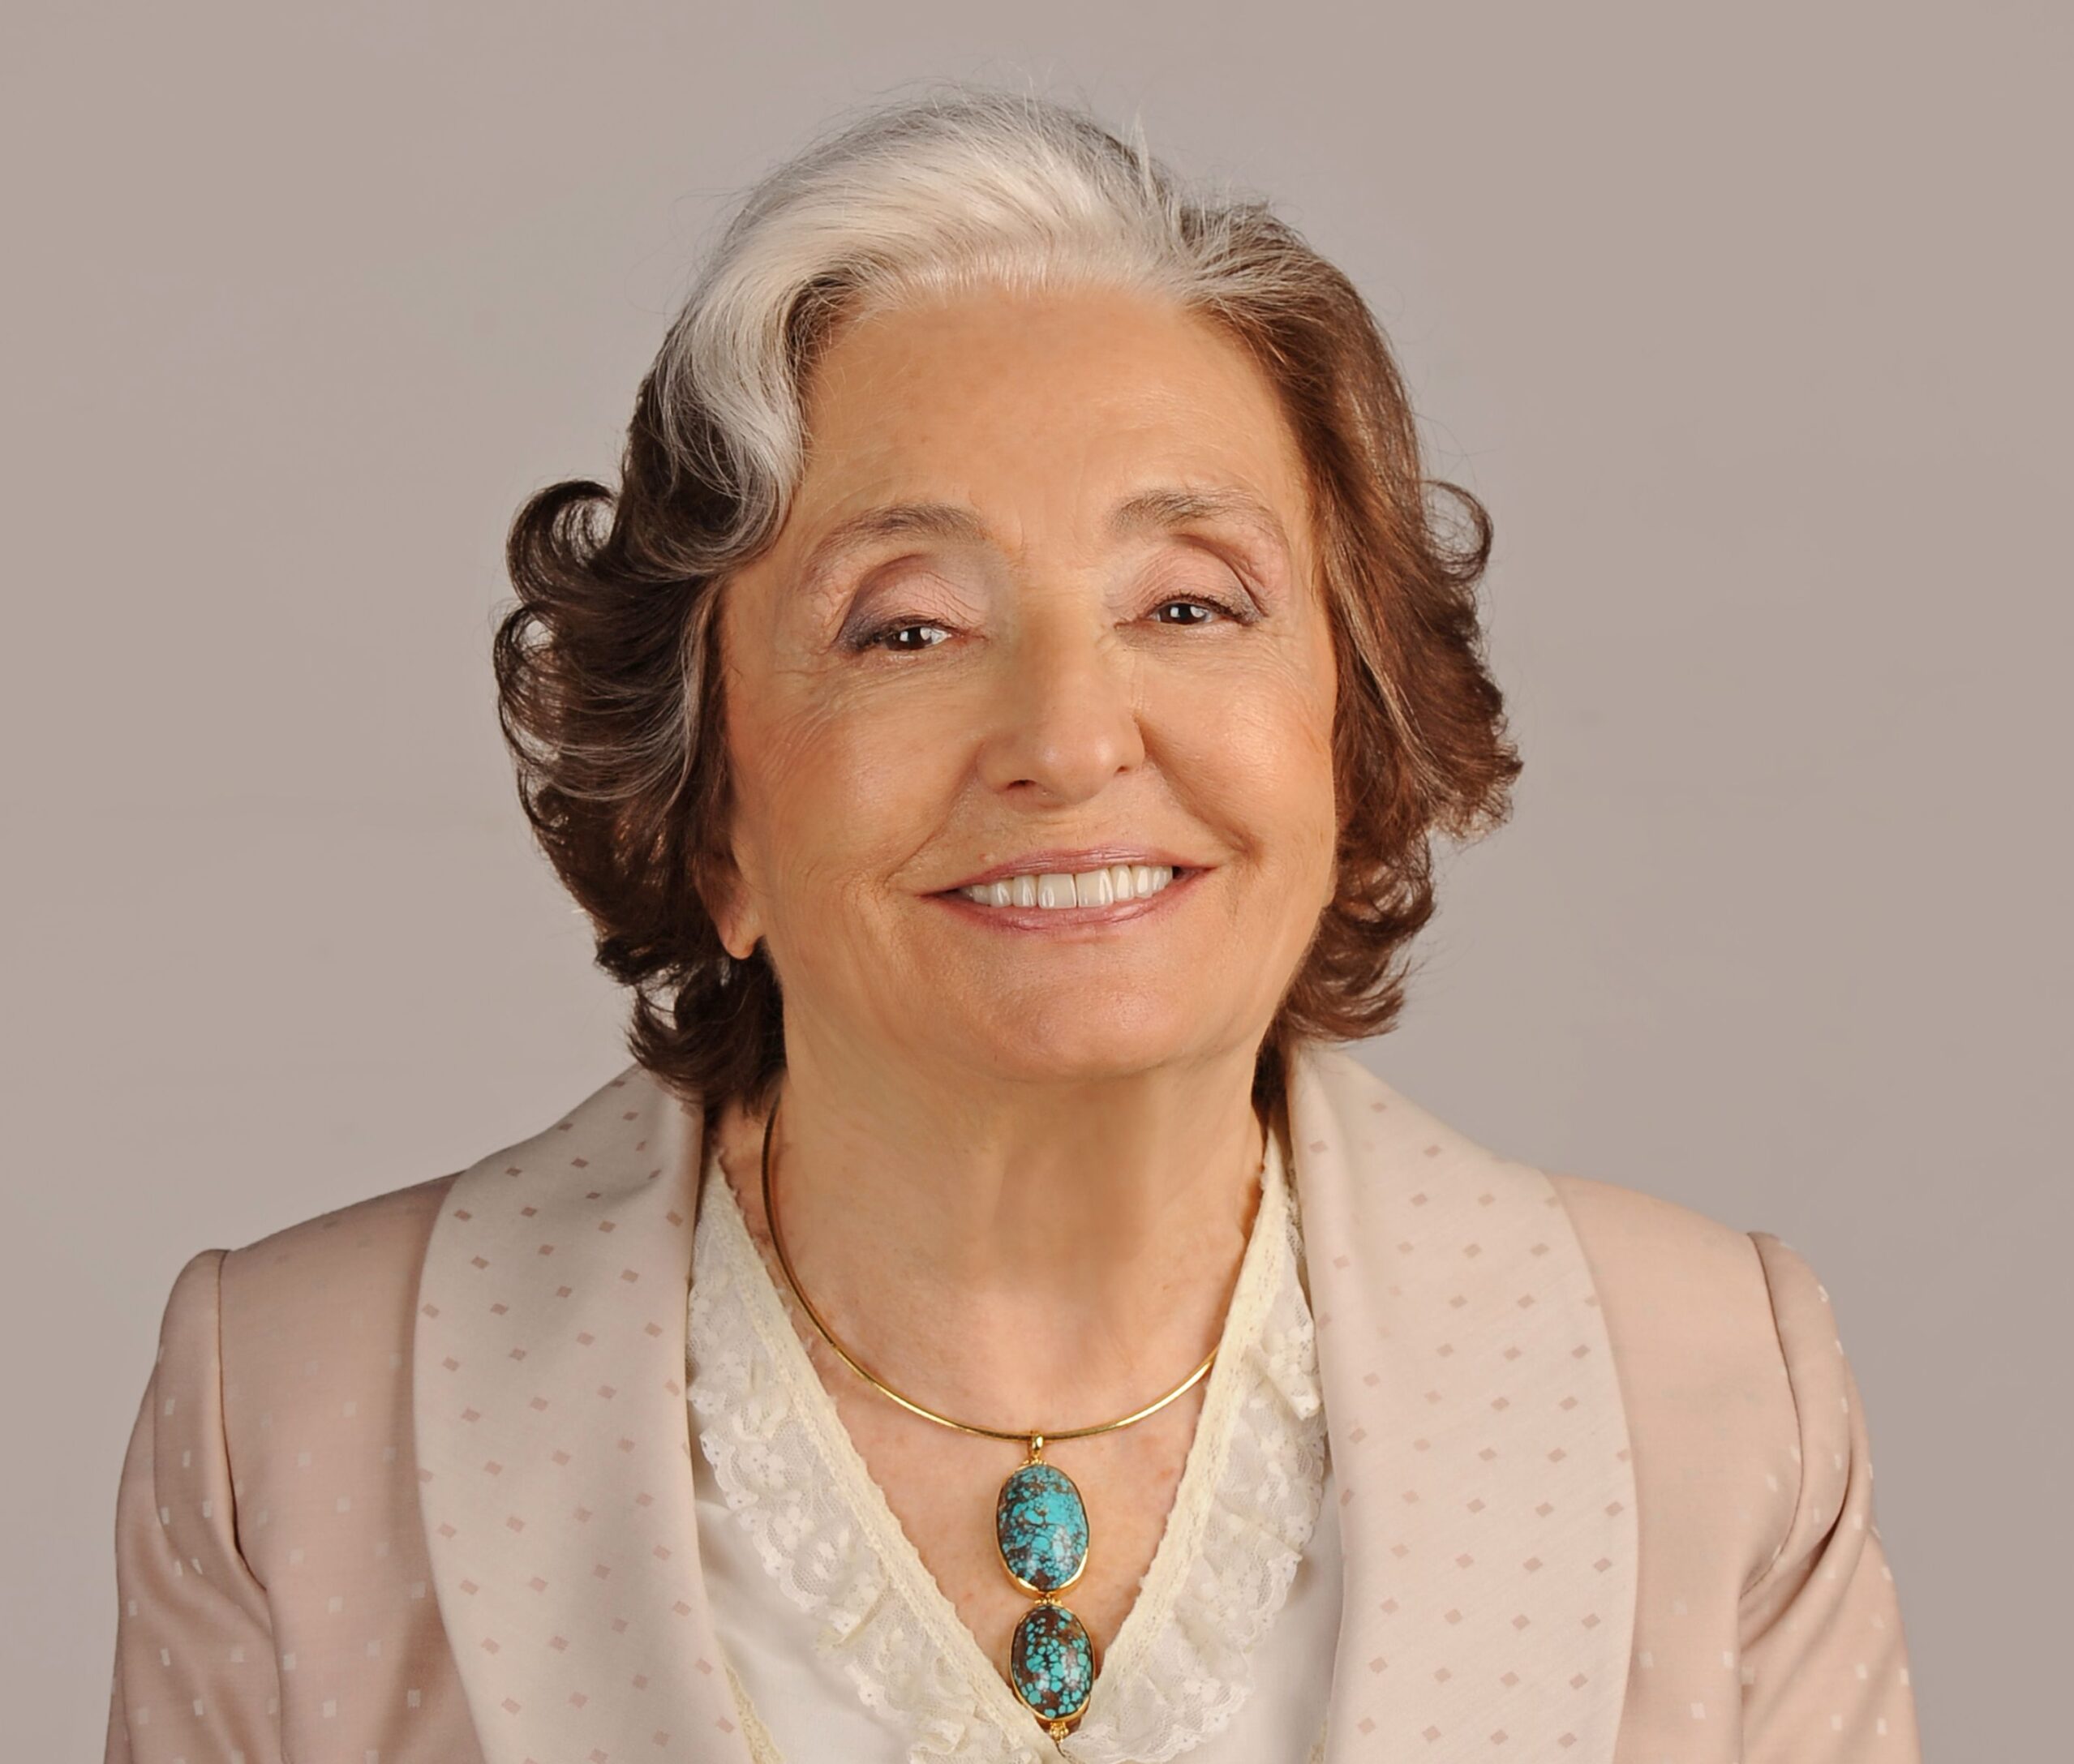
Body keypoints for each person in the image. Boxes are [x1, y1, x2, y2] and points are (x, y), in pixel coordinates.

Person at [104, 88, 1922, 1763]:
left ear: (1354, 737)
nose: (1069, 736)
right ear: (706, 807)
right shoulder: (296, 1410)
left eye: (1189, 605)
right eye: (908, 628)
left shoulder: (1705, 1392)